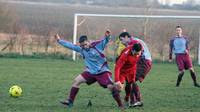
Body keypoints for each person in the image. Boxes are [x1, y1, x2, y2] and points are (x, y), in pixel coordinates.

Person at [55, 30, 123, 109]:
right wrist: (59, 40)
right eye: (82, 45)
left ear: (88, 41)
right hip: (90, 72)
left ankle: (121, 105)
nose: (83, 47)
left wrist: (107, 36)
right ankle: (70, 101)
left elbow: (105, 40)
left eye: (85, 44)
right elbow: (70, 46)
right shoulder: (81, 49)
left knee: (111, 87)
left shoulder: (98, 45)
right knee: (76, 81)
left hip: (102, 72)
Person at [116, 31, 152, 107]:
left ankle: (133, 101)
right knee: (130, 81)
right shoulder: (134, 41)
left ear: (126, 37)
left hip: (144, 62)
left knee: (131, 81)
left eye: (122, 40)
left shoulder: (133, 42)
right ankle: (135, 100)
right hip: (144, 62)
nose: (122, 42)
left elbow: (136, 53)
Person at [114, 43, 143, 107]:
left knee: (131, 83)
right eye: (136, 53)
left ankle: (129, 99)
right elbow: (117, 67)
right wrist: (117, 80)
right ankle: (119, 103)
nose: (138, 55)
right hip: (122, 70)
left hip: (132, 69)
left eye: (139, 53)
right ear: (133, 50)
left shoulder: (140, 49)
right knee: (118, 88)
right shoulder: (125, 54)